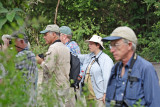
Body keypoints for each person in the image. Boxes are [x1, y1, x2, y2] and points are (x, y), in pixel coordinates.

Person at [102, 26, 160, 107]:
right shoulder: (115, 69)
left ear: (129, 45)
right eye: (111, 45)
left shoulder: (145, 68)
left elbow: (155, 103)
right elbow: (109, 100)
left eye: (116, 45)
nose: (111, 50)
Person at [36, 24, 75, 107]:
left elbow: (48, 69)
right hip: (64, 86)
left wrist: (40, 62)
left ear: (54, 34)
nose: (44, 37)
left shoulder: (53, 48)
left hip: (55, 88)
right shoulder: (65, 48)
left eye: (46, 35)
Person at [77, 35, 114, 107]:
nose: (89, 45)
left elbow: (107, 77)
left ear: (98, 45)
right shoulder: (89, 57)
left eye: (91, 44)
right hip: (88, 96)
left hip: (99, 97)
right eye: (89, 44)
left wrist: (106, 93)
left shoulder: (105, 59)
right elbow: (77, 57)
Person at [11, 31, 38, 105]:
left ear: (22, 41)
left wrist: (5, 46)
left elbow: (7, 66)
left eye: (14, 42)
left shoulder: (24, 55)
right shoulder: (30, 54)